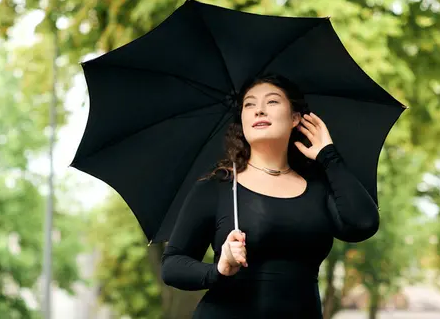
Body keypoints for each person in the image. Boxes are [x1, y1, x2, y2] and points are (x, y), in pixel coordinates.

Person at [160, 74, 380, 318]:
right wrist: (220, 268)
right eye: (249, 104)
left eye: (272, 102)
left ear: (295, 117)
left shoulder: (318, 186)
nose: (259, 110)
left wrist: (328, 156)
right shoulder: (218, 187)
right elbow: (172, 265)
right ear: (241, 120)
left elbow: (363, 224)